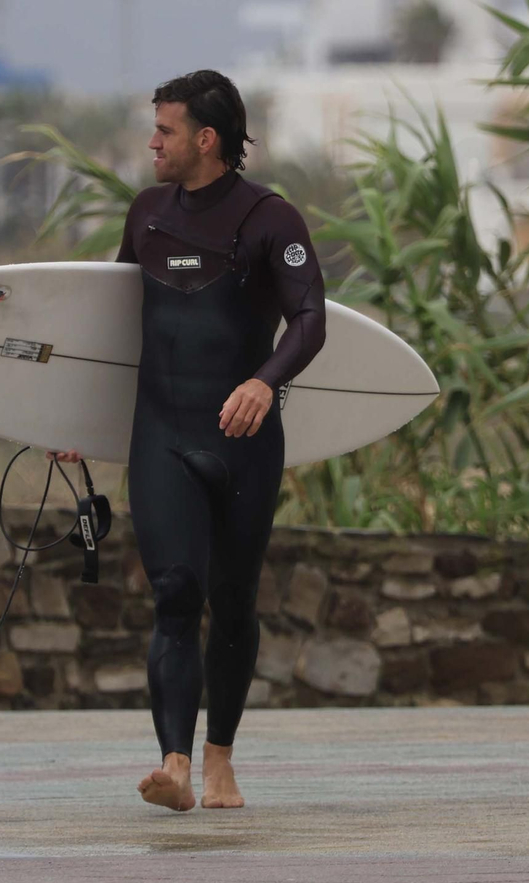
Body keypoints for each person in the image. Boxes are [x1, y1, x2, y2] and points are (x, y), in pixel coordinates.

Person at [50, 70, 325, 811]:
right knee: (176, 593)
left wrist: (264, 382)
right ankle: (172, 763)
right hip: (162, 437)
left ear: (206, 140)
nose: (153, 143)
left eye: (165, 131)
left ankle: (220, 761)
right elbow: (108, 336)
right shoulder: (145, 215)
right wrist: (74, 421)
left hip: (242, 443)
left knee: (233, 603)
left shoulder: (272, 220)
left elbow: (309, 322)